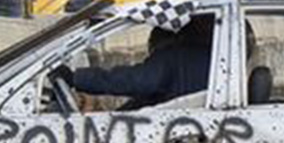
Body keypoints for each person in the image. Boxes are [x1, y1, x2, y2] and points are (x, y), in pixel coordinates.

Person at [59, 16, 215, 110]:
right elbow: (150, 97)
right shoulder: (210, 57)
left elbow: (139, 81)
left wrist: (76, 78)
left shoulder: (174, 57)